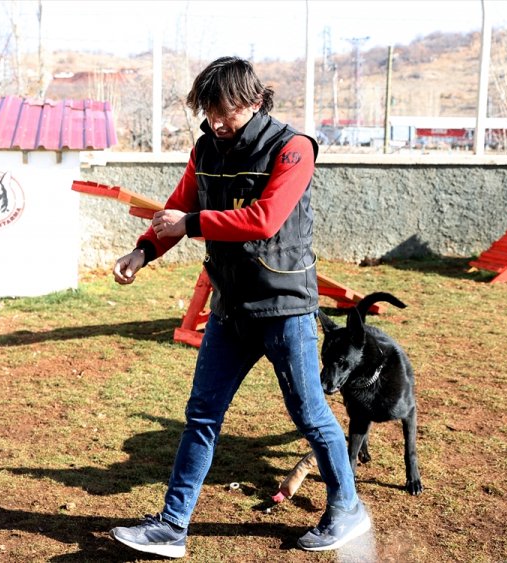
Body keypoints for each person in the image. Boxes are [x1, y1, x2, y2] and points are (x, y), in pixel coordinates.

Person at [109, 56, 368, 559]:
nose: (214, 121)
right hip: (232, 308)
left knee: (310, 413)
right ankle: (171, 525)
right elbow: (178, 205)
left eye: (223, 110)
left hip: (284, 307)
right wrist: (142, 251)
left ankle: (346, 507)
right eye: (207, 110)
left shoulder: (292, 149)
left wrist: (192, 224)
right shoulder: (205, 147)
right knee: (201, 415)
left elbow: (265, 219)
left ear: (252, 101)